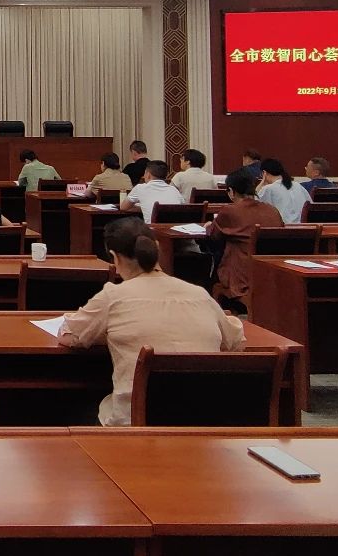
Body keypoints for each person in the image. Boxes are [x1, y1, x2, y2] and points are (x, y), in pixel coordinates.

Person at [58, 218, 245, 426]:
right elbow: (235, 343)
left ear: (114, 257)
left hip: (133, 425)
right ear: (156, 249)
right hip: (200, 424)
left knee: (77, 407)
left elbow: (69, 336)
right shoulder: (200, 295)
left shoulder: (113, 296)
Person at [208, 167, 283, 313]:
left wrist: (209, 226)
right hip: (270, 272)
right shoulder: (272, 210)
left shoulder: (230, 211)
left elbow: (213, 236)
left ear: (231, 191)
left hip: (242, 276)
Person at [257, 158, 309, 224]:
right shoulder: (298, 186)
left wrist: (260, 185)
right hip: (305, 227)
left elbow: (254, 205)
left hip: (283, 228)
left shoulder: (268, 189)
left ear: (264, 173)